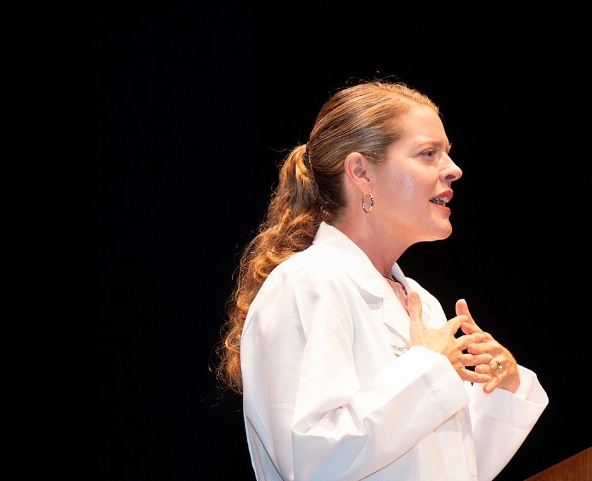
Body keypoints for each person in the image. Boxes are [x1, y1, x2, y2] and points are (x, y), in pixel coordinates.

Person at [215, 79, 549, 481]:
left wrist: (504, 389)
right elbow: (314, 463)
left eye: (447, 154)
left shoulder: (421, 304)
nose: (454, 170)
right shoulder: (305, 285)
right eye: (428, 154)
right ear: (360, 172)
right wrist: (428, 368)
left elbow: (441, 467)